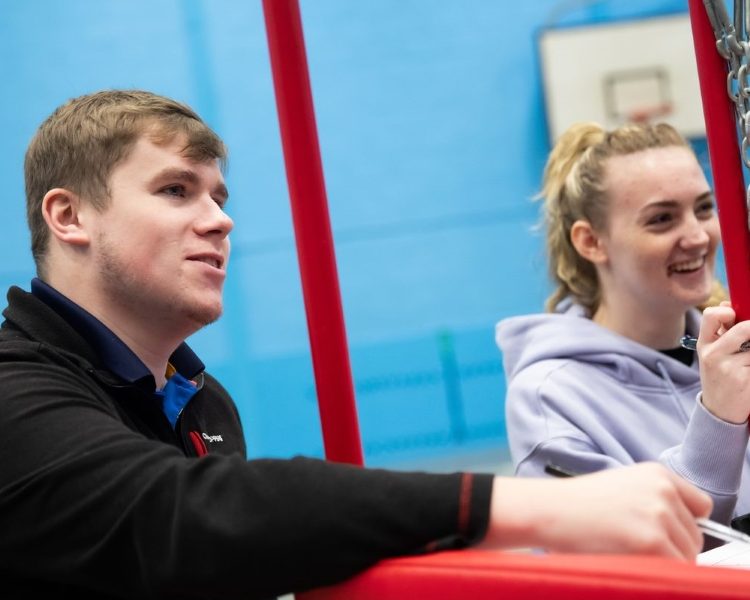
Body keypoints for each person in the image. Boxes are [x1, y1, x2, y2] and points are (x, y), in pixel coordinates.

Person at [0, 91, 712, 600]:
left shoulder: (201, 400)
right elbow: (177, 514)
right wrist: (540, 510)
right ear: (69, 217)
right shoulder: (15, 393)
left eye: (219, 196)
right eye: (177, 191)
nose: (220, 221)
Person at [496, 121, 750, 527]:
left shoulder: (734, 349)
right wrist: (719, 421)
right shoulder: (551, 398)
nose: (697, 236)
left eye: (703, 208)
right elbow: (622, 559)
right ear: (591, 242)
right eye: (662, 219)